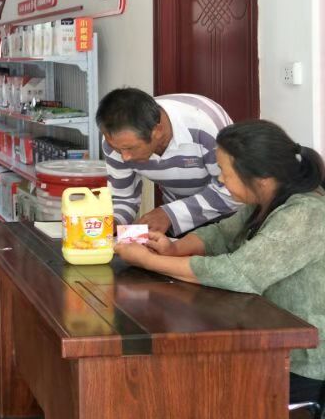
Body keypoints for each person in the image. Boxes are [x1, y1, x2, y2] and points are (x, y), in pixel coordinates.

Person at [114, 119, 325, 404]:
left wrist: (149, 261)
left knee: (185, 383)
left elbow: (235, 274)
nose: (221, 180)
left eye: (225, 172)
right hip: (264, 337)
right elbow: (221, 234)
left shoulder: (304, 214)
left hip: (304, 360)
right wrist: (173, 249)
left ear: (261, 176)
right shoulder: (267, 198)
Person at [97, 88, 238, 235]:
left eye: (130, 148)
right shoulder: (116, 141)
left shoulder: (206, 128)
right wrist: (111, 224)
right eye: (117, 148)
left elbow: (232, 190)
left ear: (157, 131)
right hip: (179, 216)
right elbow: (124, 197)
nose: (124, 157)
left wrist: (169, 214)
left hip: (232, 218)